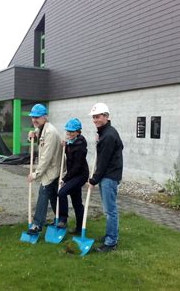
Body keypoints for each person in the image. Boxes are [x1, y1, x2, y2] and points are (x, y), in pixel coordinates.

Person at [88, 102, 123, 252]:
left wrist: (93, 180)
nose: (95, 120)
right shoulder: (106, 133)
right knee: (108, 210)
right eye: (94, 117)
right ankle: (111, 235)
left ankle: (111, 242)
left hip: (109, 176)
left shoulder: (108, 136)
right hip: (108, 175)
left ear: (106, 117)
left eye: (98, 117)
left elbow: (103, 162)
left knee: (110, 210)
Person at [26, 104, 62, 235]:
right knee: (53, 196)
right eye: (33, 117)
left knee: (44, 193)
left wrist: (36, 174)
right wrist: (31, 135)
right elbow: (35, 134)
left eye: (37, 117)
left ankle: (37, 224)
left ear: (45, 117)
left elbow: (46, 158)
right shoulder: (41, 128)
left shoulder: (50, 132)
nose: (34, 120)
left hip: (52, 169)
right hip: (49, 168)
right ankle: (60, 219)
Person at [57, 118, 89, 235]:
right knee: (76, 202)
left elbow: (76, 166)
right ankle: (79, 228)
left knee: (62, 192)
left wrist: (65, 178)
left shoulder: (80, 145)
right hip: (73, 174)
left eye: (71, 132)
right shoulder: (72, 142)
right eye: (68, 132)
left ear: (78, 132)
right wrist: (65, 147)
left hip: (80, 175)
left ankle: (63, 219)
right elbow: (69, 156)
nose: (69, 134)